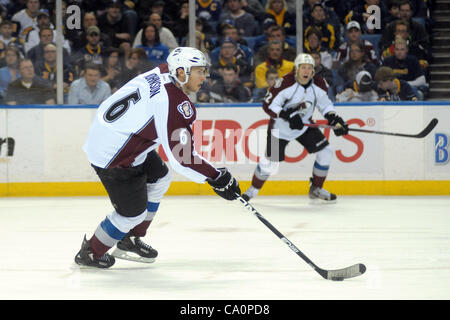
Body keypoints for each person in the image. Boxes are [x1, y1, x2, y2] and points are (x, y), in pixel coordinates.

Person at [74, 47, 241, 269]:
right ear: (181, 72)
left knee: (160, 179)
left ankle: (129, 239)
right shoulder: (171, 102)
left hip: (118, 137)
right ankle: (91, 253)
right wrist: (217, 177)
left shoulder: (165, 70)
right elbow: (182, 158)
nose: (205, 77)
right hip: (115, 156)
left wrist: (214, 177)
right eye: (199, 71)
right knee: (131, 214)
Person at [242, 53, 349, 203]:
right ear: (296, 69)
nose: (306, 71)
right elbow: (268, 105)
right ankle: (252, 191)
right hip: (278, 129)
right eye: (303, 68)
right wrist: (287, 115)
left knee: (326, 152)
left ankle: (316, 189)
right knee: (270, 162)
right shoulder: (284, 83)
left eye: (309, 68)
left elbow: (325, 105)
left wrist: (334, 118)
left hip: (303, 127)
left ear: (313, 71)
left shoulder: (319, 84)